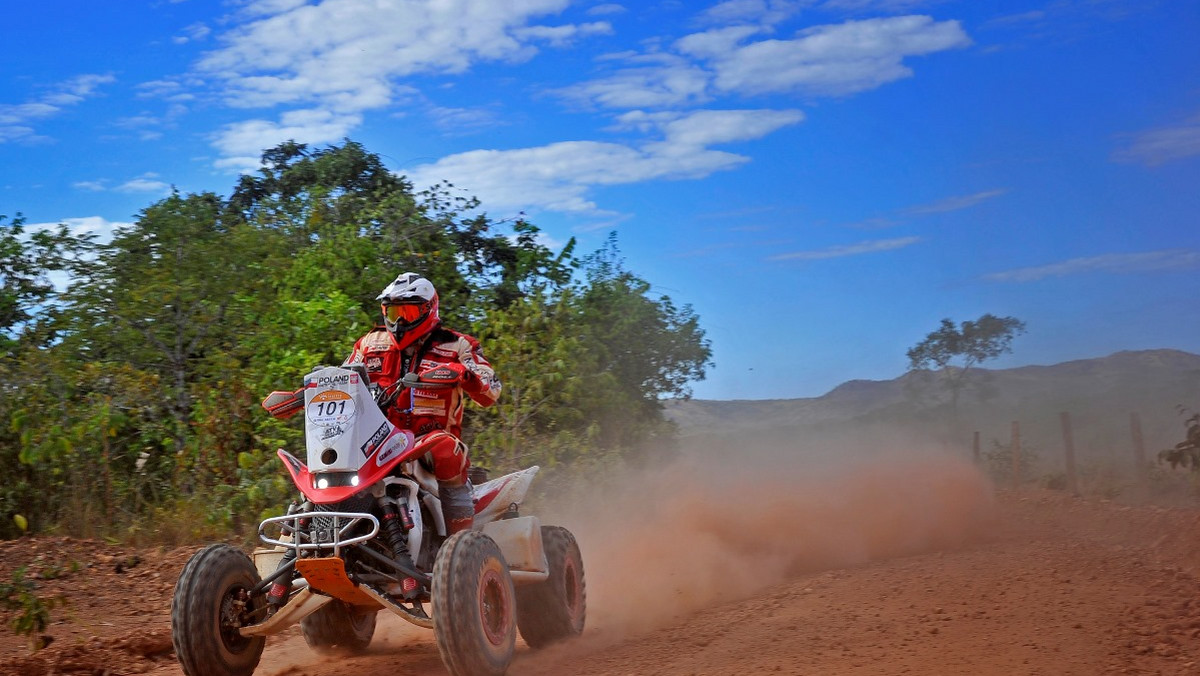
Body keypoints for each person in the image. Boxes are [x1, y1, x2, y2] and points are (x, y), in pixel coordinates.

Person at [345, 272, 501, 537]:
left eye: (408, 311)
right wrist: (306, 392)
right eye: (394, 313)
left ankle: (461, 539)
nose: (400, 320)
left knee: (445, 447)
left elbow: (491, 391)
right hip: (377, 440)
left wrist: (466, 375)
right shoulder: (369, 343)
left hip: (425, 443)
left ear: (429, 309)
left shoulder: (457, 345)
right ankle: (307, 534)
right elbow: (342, 379)